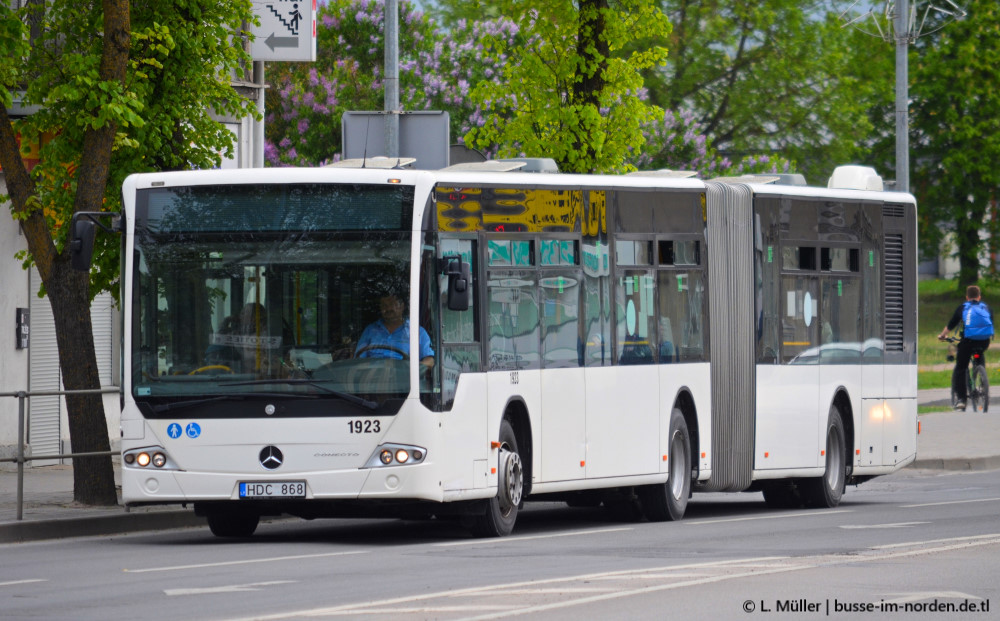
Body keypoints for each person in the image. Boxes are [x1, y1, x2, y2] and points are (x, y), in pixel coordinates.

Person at [938, 285, 994, 411]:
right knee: (979, 354)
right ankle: (982, 380)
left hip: (968, 342)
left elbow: (952, 324)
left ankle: (962, 400)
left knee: (961, 368)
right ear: (979, 297)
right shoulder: (986, 308)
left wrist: (942, 336)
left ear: (967, 297)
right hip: (984, 341)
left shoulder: (963, 307)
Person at [355, 291, 434, 368]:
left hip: (404, 378)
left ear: (402, 306)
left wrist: (413, 368)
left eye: (392, 304)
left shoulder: (417, 332)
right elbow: (358, 360)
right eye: (384, 305)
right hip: (373, 378)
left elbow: (430, 361)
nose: (389, 309)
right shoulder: (370, 330)